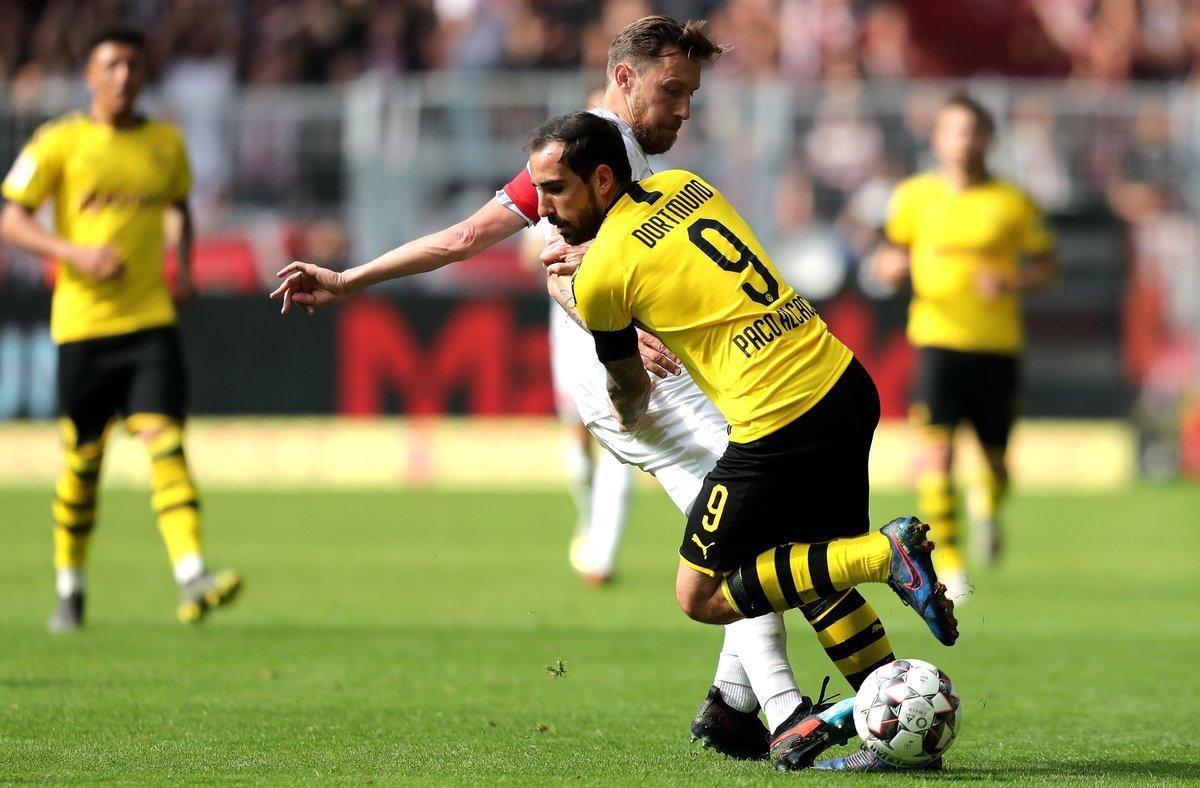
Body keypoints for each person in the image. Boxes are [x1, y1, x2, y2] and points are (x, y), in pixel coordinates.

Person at [271, 16, 902, 769]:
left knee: (751, 541)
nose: (684, 110)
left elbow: (468, 237)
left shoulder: (592, 150)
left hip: (639, 380)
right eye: (673, 90)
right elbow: (558, 271)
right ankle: (787, 711)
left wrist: (351, 279)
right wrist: (623, 332)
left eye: (691, 94)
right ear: (626, 77)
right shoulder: (591, 155)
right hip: (640, 385)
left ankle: (732, 707)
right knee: (754, 548)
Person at [528, 110, 958, 771]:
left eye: (556, 189)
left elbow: (632, 388)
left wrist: (622, 413)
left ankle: (885, 554)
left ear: (604, 179)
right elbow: (661, 249)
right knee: (818, 575)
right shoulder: (685, 185)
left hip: (779, 420)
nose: (543, 208)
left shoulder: (604, 274)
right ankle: (900, 741)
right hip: (842, 382)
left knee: (702, 596)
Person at [0, 25, 242, 630]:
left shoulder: (165, 143)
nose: (123, 75)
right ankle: (70, 588)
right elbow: (12, 221)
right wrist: (73, 254)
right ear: (89, 75)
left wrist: (183, 265)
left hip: (149, 320)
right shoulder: (59, 142)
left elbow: (178, 207)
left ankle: (192, 574)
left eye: (133, 65)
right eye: (111, 65)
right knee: (82, 463)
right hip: (82, 326)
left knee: (166, 441)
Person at [874, 94, 1059, 601]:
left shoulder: (1011, 202)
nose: (963, 142)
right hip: (936, 340)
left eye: (972, 131)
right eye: (953, 131)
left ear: (987, 138)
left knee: (997, 465)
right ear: (938, 139)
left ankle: (987, 505)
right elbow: (886, 257)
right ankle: (951, 564)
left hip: (996, 346)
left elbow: (1048, 265)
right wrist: (889, 268)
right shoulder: (913, 197)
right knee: (937, 455)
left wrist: (1012, 282)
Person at [517, 86, 634, 588]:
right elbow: (529, 253)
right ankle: (588, 520)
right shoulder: (557, 188)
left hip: (620, 320)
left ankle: (601, 554)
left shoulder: (635, 184)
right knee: (577, 436)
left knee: (621, 431)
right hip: (568, 326)